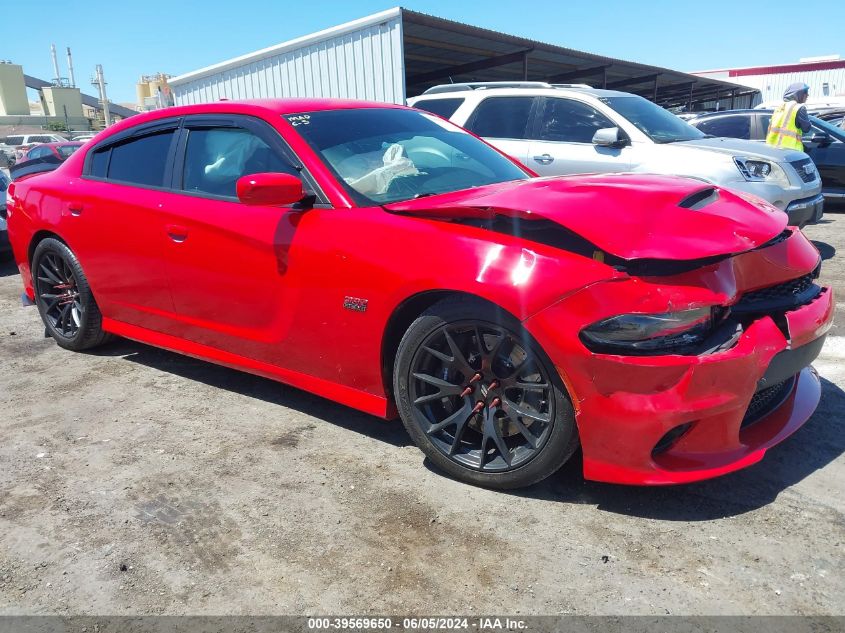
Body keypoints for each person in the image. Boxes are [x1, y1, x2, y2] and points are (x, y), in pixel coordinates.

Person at [766, 82, 812, 151]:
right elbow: (806, 128)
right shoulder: (799, 108)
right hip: (791, 152)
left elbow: (770, 128)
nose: (807, 95)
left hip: (773, 150)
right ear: (799, 94)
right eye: (805, 92)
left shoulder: (779, 107)